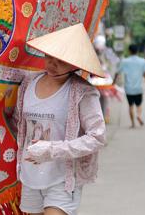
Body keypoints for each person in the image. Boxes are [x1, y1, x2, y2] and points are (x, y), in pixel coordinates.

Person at [15, 24, 106, 215]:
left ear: (75, 64)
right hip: (30, 175)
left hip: (63, 178)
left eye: (61, 61)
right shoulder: (28, 83)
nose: (52, 65)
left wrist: (51, 150)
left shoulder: (83, 92)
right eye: (49, 57)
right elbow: (19, 123)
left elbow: (97, 137)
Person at [113, 44, 145, 128]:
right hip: (138, 88)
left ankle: (133, 123)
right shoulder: (142, 61)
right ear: (137, 51)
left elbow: (117, 72)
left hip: (128, 88)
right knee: (139, 105)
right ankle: (139, 115)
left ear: (129, 51)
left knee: (130, 106)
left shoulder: (125, 61)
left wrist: (113, 83)